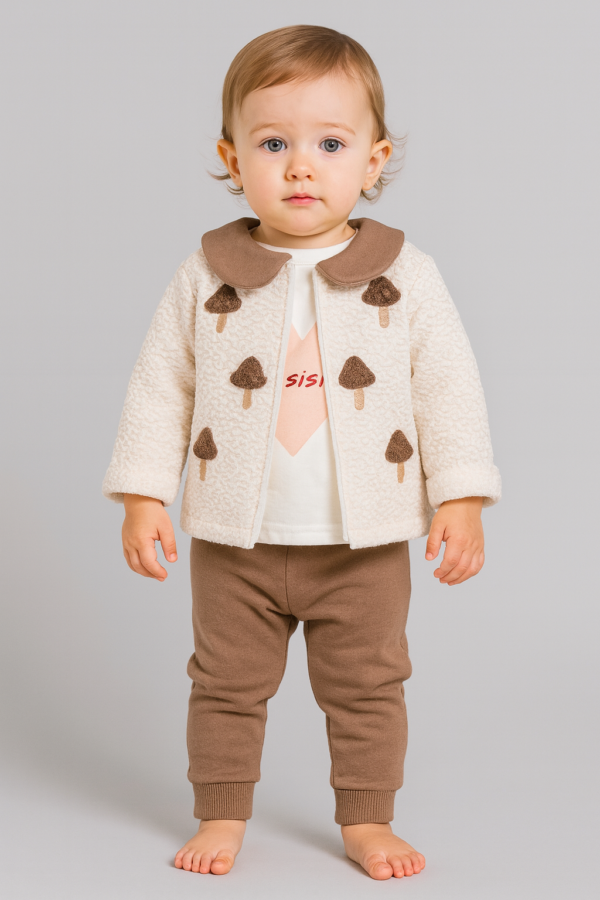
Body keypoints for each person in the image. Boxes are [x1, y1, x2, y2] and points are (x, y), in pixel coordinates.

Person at [102, 24, 501, 881]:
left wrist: (461, 496)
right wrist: (142, 494)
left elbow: (449, 389)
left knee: (369, 687)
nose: (300, 168)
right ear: (231, 157)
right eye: (273, 144)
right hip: (234, 542)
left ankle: (367, 820)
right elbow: (159, 387)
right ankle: (220, 812)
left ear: (374, 160)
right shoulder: (207, 273)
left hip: (364, 545)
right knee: (223, 683)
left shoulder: (407, 275)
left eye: (330, 144)